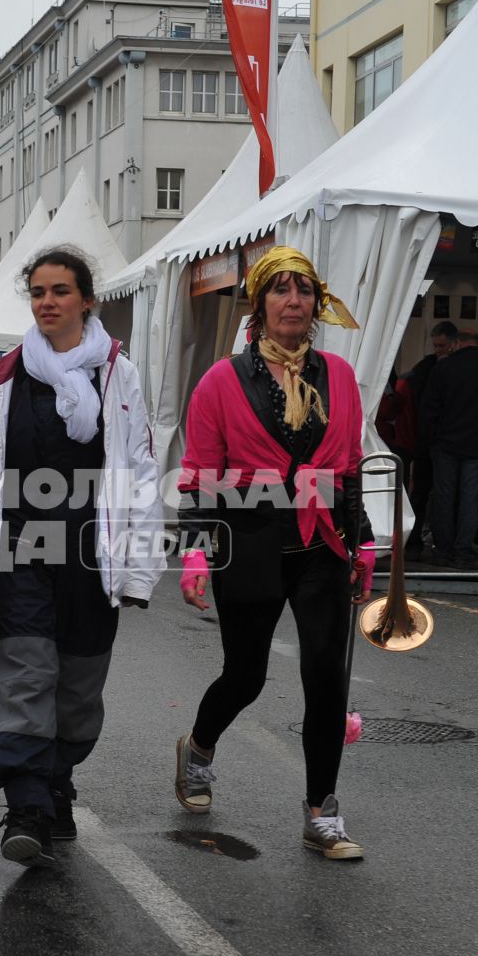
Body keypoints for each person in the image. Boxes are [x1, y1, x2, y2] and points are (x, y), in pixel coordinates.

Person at [0, 248, 164, 868]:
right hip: (22, 550)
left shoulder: (118, 375)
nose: (47, 302)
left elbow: (139, 466)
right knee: (24, 671)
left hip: (94, 552)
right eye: (38, 291)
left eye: (60, 291)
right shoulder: (3, 379)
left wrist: (141, 559)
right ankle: (27, 804)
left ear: (86, 300)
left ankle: (58, 780)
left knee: (79, 682)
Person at [173, 247, 375, 859]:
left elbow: (347, 468)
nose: (295, 301)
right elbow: (199, 475)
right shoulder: (222, 380)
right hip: (249, 543)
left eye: (305, 291)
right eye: (281, 290)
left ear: (317, 304)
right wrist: (196, 553)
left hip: (322, 548)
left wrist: (362, 541)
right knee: (247, 675)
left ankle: (322, 813)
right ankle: (199, 749)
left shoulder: (338, 377)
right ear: (259, 305)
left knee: (325, 676)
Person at [417, 329, 478, 568]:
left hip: (445, 443)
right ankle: (463, 551)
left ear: (457, 343)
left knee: (443, 497)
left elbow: (428, 407)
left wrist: (431, 439)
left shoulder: (443, 368)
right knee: (470, 499)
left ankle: (442, 550)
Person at [403, 320, 459, 551]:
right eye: (435, 345)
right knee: (432, 493)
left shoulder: (428, 369)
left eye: (442, 345)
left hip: (435, 441)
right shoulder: (427, 368)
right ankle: (421, 541)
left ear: (455, 344)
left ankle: (429, 541)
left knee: (433, 494)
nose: (438, 350)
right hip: (433, 442)